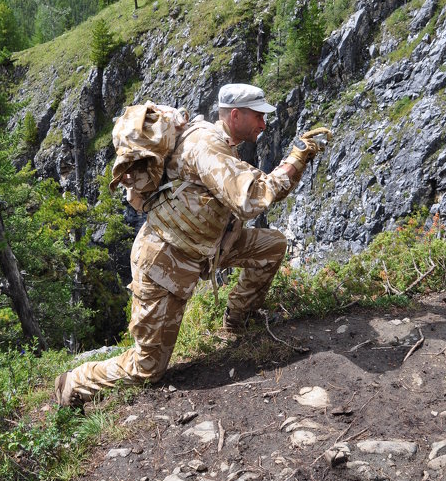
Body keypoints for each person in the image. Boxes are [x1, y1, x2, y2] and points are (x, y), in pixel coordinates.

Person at [55, 83, 330, 408]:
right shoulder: (207, 146)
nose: (264, 124)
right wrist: (298, 157)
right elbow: (251, 200)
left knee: (271, 246)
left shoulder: (215, 140)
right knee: (147, 369)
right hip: (164, 266)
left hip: (206, 248)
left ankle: (236, 323)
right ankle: (74, 382)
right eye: (258, 116)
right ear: (236, 115)